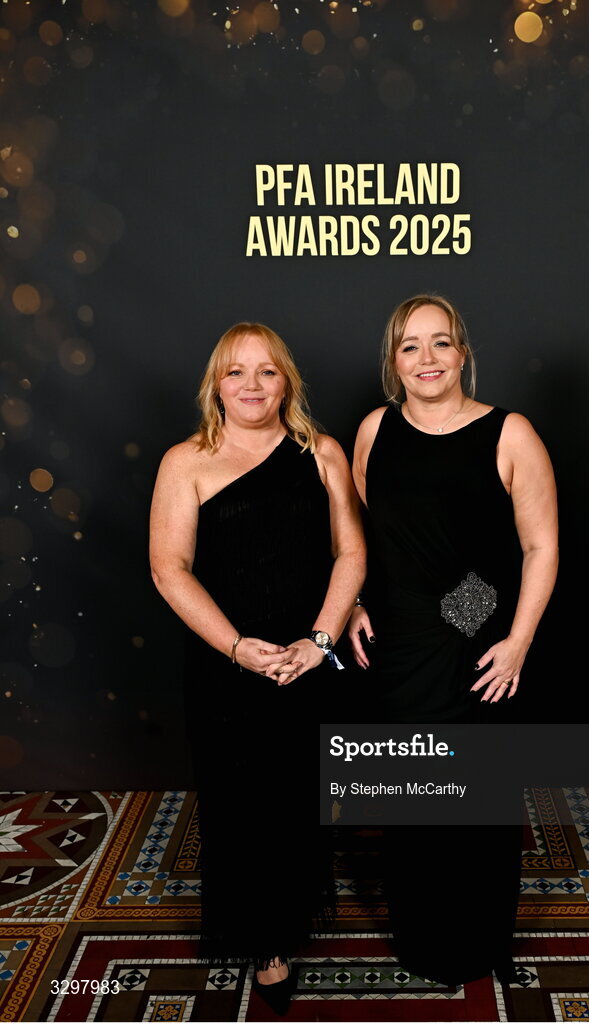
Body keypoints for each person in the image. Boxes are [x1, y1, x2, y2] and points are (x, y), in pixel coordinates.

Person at [150, 322, 365, 1013]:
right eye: (235, 372)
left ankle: (292, 915)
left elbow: (350, 555)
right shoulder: (184, 461)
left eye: (267, 372)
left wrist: (320, 641)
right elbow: (168, 570)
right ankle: (262, 945)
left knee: (299, 802)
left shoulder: (323, 453)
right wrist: (239, 648)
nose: (251, 385)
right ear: (216, 384)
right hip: (227, 667)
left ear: (287, 384)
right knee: (239, 809)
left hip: (308, 662)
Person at [349, 294, 558, 986]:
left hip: (475, 634)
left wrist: (518, 641)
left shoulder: (509, 432)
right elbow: (359, 536)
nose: (426, 358)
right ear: (393, 361)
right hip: (397, 642)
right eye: (410, 346)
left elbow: (538, 547)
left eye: (440, 343)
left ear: (463, 353)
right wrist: (351, 604)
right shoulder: (374, 429)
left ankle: (475, 941)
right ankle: (421, 939)